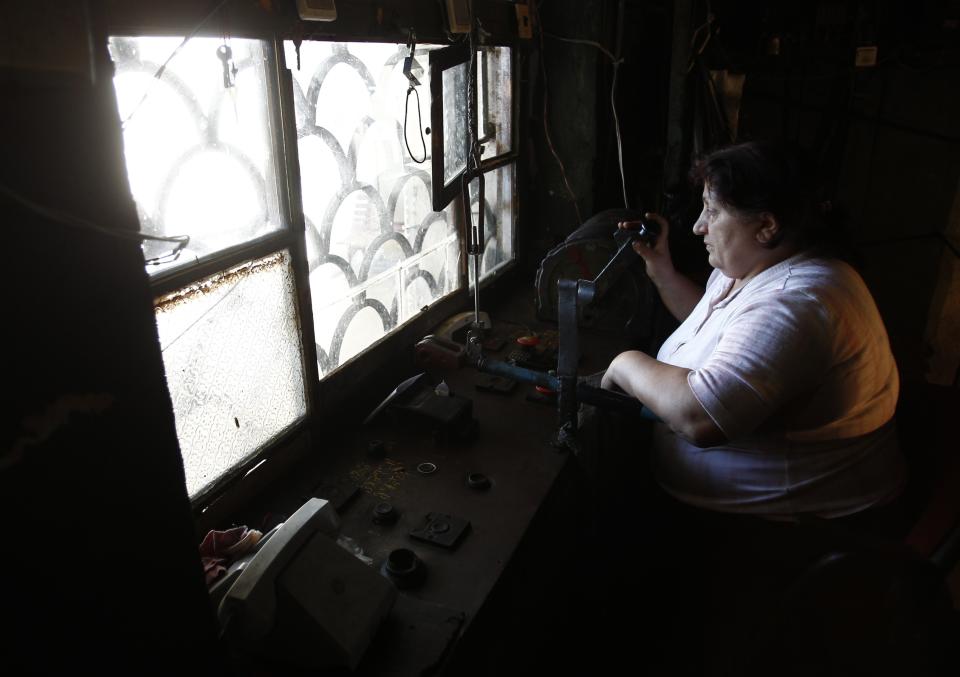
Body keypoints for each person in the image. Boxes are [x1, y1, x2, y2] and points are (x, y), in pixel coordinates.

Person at [601, 140, 904, 521]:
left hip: (791, 530)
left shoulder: (800, 303)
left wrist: (625, 363)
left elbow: (701, 417)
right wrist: (663, 273)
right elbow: (725, 331)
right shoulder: (764, 265)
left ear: (766, 225)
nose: (698, 226)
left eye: (712, 211)